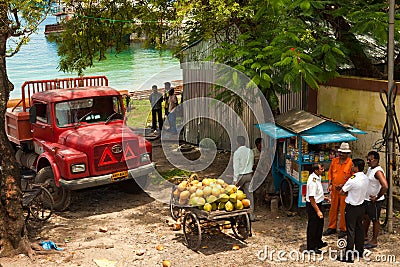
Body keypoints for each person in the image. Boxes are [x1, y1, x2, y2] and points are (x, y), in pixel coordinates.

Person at [338, 159, 368, 263]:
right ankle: (359, 250)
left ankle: (348, 255)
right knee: (359, 229)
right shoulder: (365, 178)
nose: (351, 167)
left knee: (350, 231)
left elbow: (342, 192)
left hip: (352, 207)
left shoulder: (353, 179)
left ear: (356, 167)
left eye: (352, 166)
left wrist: (342, 189)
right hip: (361, 206)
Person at [323, 142, 353, 238]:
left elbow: (353, 178)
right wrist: (330, 183)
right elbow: (330, 173)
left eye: (344, 153)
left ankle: (343, 229)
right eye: (341, 152)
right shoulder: (334, 161)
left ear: (347, 153)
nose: (341, 154)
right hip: (335, 189)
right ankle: (332, 227)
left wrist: (344, 185)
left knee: (343, 209)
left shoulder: (350, 163)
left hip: (344, 190)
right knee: (333, 208)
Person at [363, 151, 388, 249]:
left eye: (370, 159)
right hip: (367, 200)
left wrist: (377, 197)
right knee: (366, 218)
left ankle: (374, 240)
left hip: (375, 201)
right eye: (367, 159)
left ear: (376, 160)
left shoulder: (378, 171)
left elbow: (385, 186)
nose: (368, 161)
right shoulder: (370, 169)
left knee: (375, 220)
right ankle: (364, 236)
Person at [305, 163, 327, 254]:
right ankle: (311, 247)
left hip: (318, 202)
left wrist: (323, 197)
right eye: (321, 169)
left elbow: (317, 193)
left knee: (319, 224)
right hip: (313, 205)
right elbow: (311, 198)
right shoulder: (312, 181)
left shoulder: (318, 177)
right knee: (313, 226)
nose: (323, 170)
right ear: (316, 170)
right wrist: (318, 211)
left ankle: (318, 242)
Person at [233, 136, 255, 221]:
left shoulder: (237, 153)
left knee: (235, 195)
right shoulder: (250, 151)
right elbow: (252, 163)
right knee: (250, 196)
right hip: (249, 175)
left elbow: (236, 167)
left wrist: (235, 179)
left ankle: (237, 216)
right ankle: (251, 216)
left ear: (237, 143)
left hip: (241, 176)